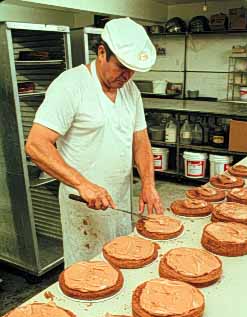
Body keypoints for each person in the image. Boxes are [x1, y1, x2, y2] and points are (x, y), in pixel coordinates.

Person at [26, 17, 164, 267]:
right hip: (83, 203)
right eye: (122, 67)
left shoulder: (130, 90)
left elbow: (140, 140)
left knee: (122, 264)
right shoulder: (71, 86)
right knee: (88, 275)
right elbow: (36, 145)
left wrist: (148, 184)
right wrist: (82, 184)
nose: (127, 76)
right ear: (102, 53)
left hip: (119, 199)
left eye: (133, 70)